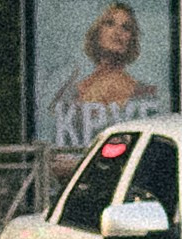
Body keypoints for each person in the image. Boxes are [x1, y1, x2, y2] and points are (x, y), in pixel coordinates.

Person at [50, 3, 162, 149]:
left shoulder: (144, 93)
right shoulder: (74, 93)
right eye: (110, 24)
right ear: (97, 33)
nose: (117, 32)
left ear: (131, 39)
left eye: (126, 28)